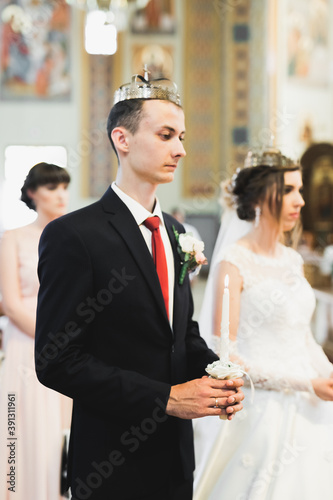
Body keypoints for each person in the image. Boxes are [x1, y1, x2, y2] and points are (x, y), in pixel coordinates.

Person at [34, 73, 244, 500]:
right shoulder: (75, 235)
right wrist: (166, 399)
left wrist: (215, 375)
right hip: (110, 461)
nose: (180, 149)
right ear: (122, 139)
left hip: (176, 458)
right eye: (166, 135)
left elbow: (178, 334)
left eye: (181, 136)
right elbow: (56, 360)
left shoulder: (177, 232)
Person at [194, 147, 333, 500]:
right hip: (261, 408)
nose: (300, 200)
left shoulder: (291, 259)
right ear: (257, 197)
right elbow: (228, 356)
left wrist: (326, 373)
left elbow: (302, 336)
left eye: (300, 190)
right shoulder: (233, 262)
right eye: (288, 191)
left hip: (312, 403)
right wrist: (306, 383)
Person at [0, 162, 72, 500]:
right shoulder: (12, 238)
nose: (61, 196)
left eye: (64, 187)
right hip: (25, 344)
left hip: (68, 344)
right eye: (51, 188)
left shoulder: (72, 236)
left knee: (60, 433)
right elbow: (11, 304)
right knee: (22, 428)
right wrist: (52, 340)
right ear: (32, 193)